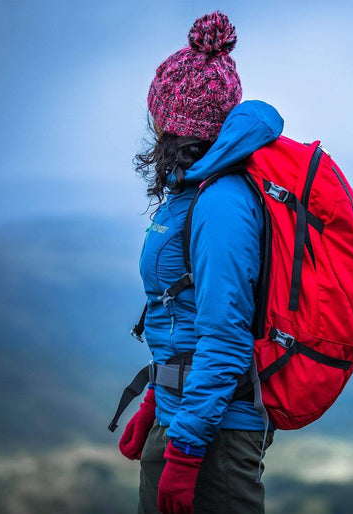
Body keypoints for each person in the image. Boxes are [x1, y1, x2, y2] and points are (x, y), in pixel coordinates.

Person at [116, 11, 282, 514]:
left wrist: (185, 453)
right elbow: (180, 314)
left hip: (214, 439)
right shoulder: (189, 193)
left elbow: (226, 337)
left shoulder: (222, 204)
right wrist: (155, 399)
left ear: (172, 121)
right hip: (184, 417)